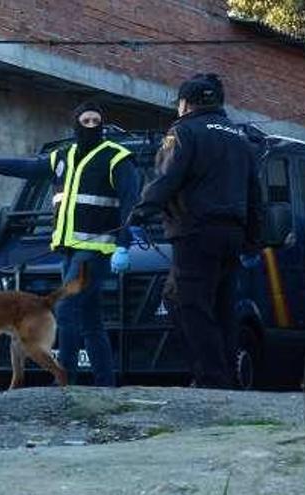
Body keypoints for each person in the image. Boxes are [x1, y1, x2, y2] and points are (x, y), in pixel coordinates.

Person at [0, 101, 140, 387]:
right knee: (90, 319)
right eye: (85, 121)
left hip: (96, 251)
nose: (90, 126)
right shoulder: (63, 156)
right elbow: (25, 168)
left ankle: (65, 380)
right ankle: (105, 384)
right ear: (75, 124)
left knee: (66, 309)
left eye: (95, 121)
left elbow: (130, 203)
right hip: (70, 251)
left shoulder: (116, 157)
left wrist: (124, 244)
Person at [129, 74, 261, 389]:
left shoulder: (184, 131)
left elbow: (167, 177)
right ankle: (226, 375)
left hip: (195, 232)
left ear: (185, 104)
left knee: (184, 303)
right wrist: (254, 240)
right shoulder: (240, 139)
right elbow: (255, 194)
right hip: (233, 235)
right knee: (222, 306)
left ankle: (211, 378)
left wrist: (139, 211)